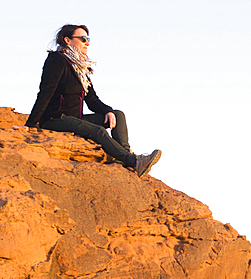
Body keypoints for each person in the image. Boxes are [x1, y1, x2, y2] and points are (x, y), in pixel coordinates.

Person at [26, 24, 161, 177]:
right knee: (98, 131)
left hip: (76, 118)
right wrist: (30, 124)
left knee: (118, 114)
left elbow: (91, 100)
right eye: (83, 39)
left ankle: (126, 155)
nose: (87, 43)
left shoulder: (79, 67)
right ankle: (134, 161)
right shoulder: (56, 61)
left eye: (88, 39)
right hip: (55, 119)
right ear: (67, 40)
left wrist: (108, 111)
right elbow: (45, 93)